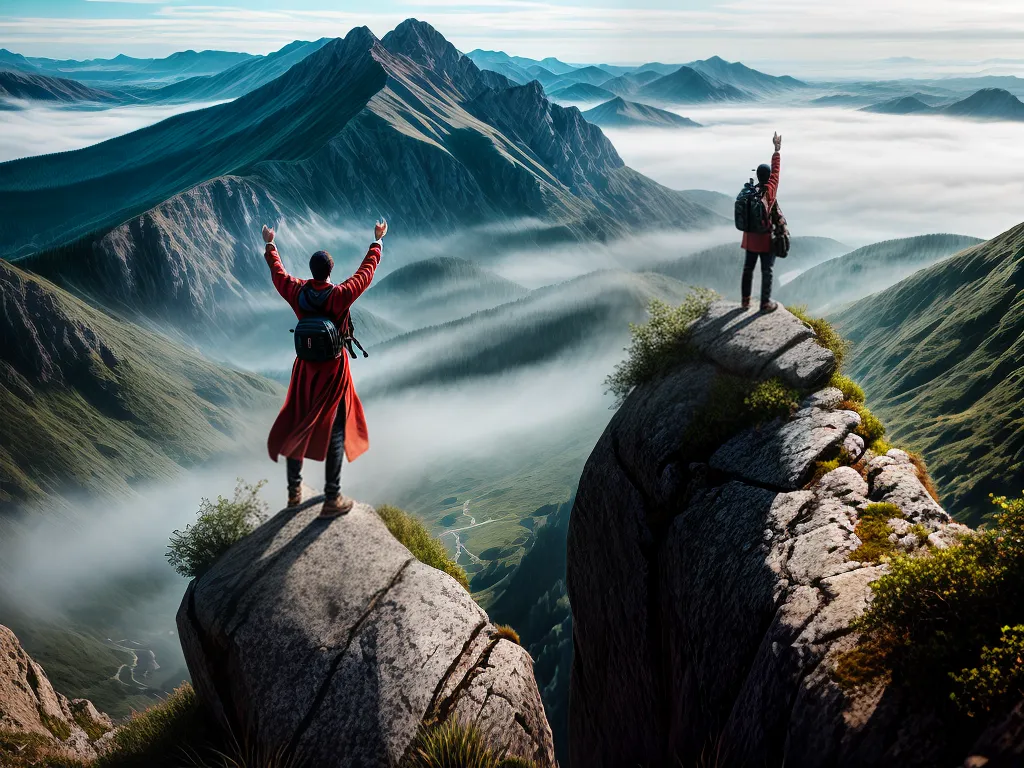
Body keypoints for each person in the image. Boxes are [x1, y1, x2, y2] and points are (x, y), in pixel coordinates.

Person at [261, 220, 387, 518]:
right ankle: (332, 499)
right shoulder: (340, 295)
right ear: (329, 272)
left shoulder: (296, 292)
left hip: (304, 370)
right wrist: (377, 241)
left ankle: (294, 492)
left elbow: (277, 273)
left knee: (297, 423)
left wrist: (270, 244)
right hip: (334, 371)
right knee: (337, 430)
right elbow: (366, 272)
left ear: (312, 270)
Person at [741, 132, 782, 313]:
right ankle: (765, 303)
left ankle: (745, 301)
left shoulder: (750, 191)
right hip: (765, 237)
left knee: (748, 269)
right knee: (767, 270)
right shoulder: (771, 188)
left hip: (749, 237)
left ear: (757, 176)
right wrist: (776, 149)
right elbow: (776, 170)